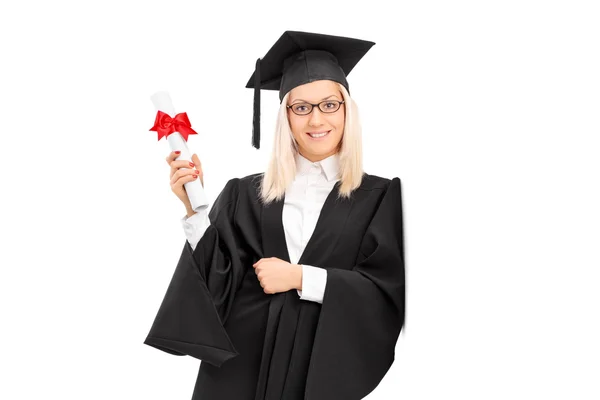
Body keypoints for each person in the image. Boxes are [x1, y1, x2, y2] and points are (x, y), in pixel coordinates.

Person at [144, 30, 405, 400]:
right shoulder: (244, 192)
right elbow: (215, 281)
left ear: (347, 110)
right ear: (285, 116)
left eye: (329, 104)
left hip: (318, 370)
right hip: (239, 371)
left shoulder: (381, 196)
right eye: (301, 107)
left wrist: (301, 277)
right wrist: (193, 206)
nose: (316, 120)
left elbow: (386, 290)